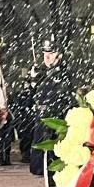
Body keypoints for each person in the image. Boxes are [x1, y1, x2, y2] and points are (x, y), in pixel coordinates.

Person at [29, 40, 70, 178]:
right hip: (42, 114)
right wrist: (34, 81)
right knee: (40, 141)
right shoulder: (43, 73)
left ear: (59, 56)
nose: (47, 57)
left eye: (51, 53)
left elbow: (61, 95)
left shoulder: (62, 74)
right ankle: (40, 166)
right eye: (45, 53)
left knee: (53, 144)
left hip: (55, 114)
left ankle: (48, 166)